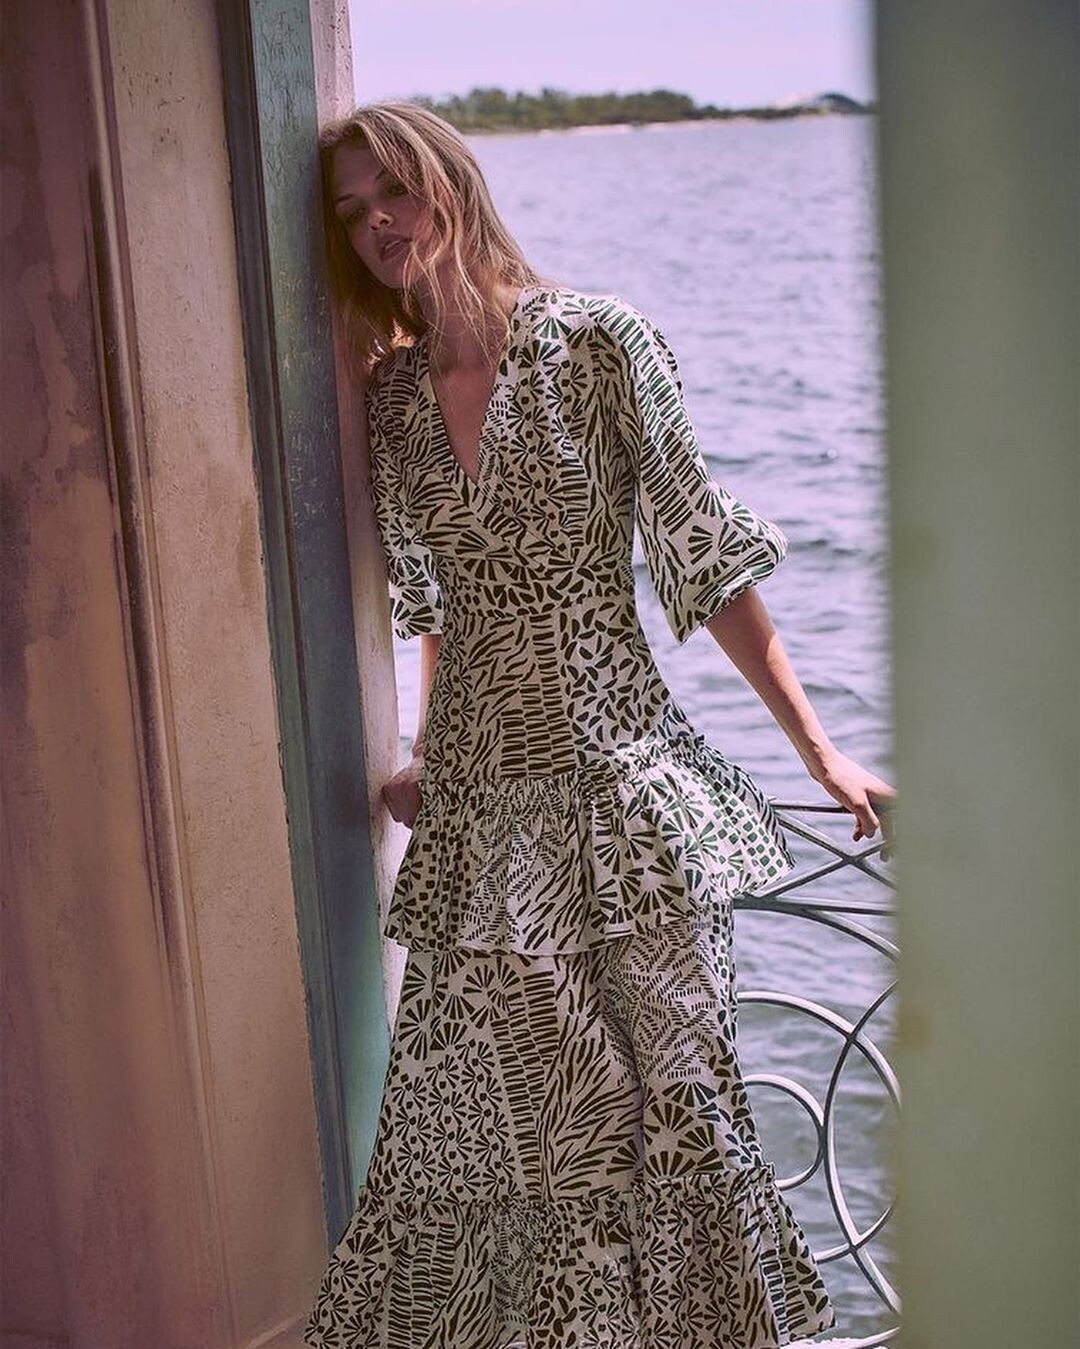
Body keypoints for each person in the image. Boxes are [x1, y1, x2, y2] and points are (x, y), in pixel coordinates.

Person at [304, 100, 895, 1349]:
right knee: (496, 1139)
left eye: (394, 191)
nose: (377, 225)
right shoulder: (392, 397)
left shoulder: (599, 343)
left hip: (623, 802)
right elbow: (442, 604)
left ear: (450, 180)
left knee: (678, 1121)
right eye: (352, 214)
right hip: (481, 824)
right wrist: (428, 751)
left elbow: (704, 558)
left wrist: (821, 750)